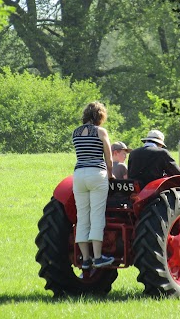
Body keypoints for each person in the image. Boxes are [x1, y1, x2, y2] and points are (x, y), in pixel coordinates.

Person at [72, 101, 115, 269]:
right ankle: (98, 257)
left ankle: (85, 259)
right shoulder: (100, 131)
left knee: (82, 217)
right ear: (100, 116)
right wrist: (111, 175)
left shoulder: (75, 133)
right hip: (97, 173)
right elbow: (109, 158)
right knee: (97, 216)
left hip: (79, 174)